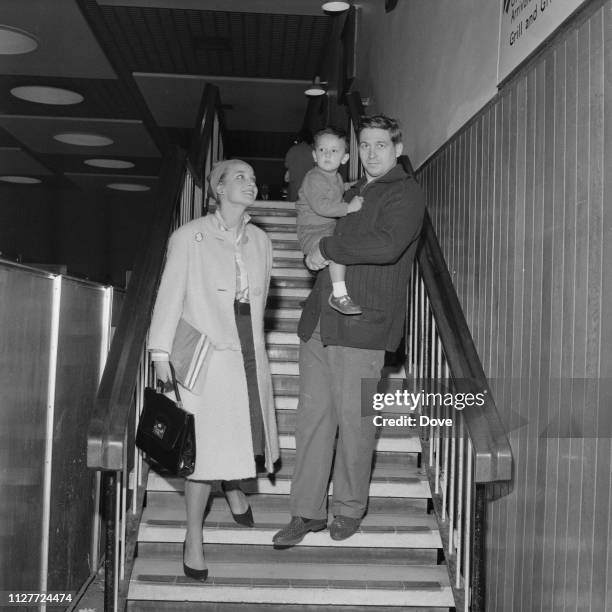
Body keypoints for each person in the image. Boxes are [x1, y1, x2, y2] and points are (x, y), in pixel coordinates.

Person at [273, 115, 425, 547]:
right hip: (320, 322)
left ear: (397, 149)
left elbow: (387, 246)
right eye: (365, 145)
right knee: (311, 423)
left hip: (362, 325)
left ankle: (348, 509)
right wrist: (313, 249)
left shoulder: (406, 192)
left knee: (355, 425)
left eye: (380, 144)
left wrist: (326, 248)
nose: (371, 152)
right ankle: (306, 513)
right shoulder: (351, 191)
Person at [148, 159, 280, 580]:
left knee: (242, 434)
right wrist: (159, 354)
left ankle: (234, 486)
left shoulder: (261, 240)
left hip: (246, 346)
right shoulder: (190, 236)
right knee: (200, 454)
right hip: (204, 352)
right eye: (240, 177)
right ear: (218, 189)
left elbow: (260, 304)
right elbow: (169, 296)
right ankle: (193, 537)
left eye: (254, 178)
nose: (251, 183)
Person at [295, 127, 364, 316]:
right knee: (336, 251)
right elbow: (322, 207)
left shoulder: (336, 177)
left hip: (327, 228)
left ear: (344, 158)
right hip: (312, 231)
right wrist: (348, 208)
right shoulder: (314, 177)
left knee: (333, 262)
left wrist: (353, 185)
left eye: (334, 151)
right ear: (314, 155)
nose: (327, 154)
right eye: (322, 150)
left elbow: (337, 189)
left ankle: (314, 299)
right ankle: (339, 295)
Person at [284, 127, 315, 201]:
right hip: (310, 186)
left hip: (294, 186)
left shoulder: (293, 149)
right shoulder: (314, 151)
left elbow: (287, 164)